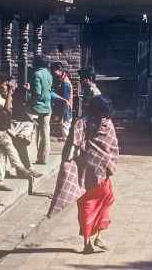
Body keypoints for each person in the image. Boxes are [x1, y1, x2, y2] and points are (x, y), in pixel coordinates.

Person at [48, 95, 119, 254]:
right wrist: (110, 165)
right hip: (102, 172)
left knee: (86, 206)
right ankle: (99, 236)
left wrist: (68, 164)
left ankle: (87, 243)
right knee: (106, 200)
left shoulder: (81, 123)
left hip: (85, 172)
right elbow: (113, 147)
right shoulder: (108, 124)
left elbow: (71, 147)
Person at [31, 56, 70, 164]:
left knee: (38, 134)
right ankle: (43, 157)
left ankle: (39, 156)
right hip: (48, 108)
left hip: (37, 108)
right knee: (45, 133)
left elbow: (37, 93)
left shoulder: (37, 75)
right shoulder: (48, 75)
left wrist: (29, 101)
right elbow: (48, 91)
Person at [51, 62, 73, 140]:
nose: (53, 73)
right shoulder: (62, 80)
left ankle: (66, 143)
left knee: (65, 127)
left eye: (54, 71)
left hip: (65, 110)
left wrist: (62, 116)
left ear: (59, 70)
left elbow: (65, 100)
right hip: (65, 109)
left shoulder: (65, 83)